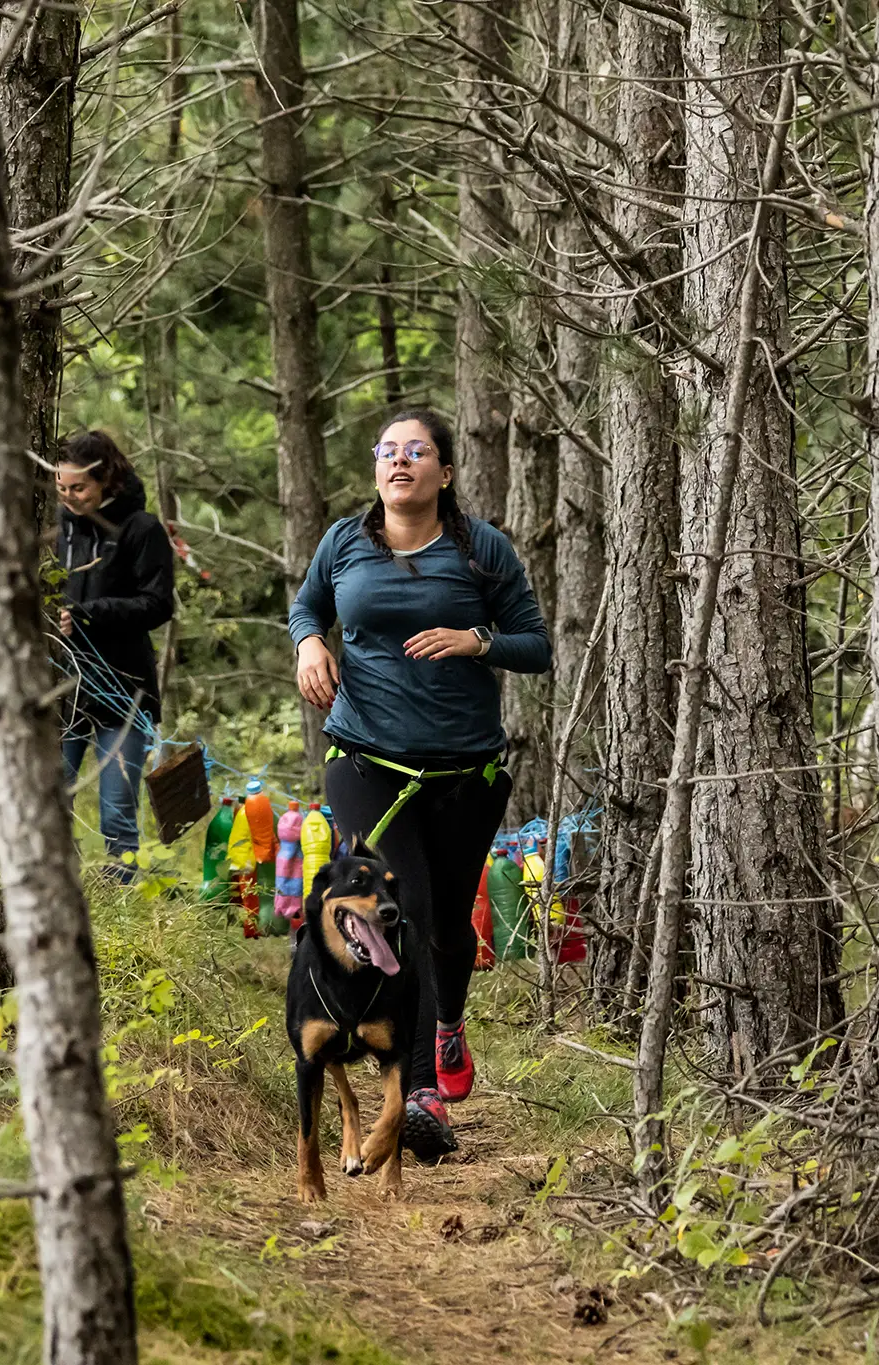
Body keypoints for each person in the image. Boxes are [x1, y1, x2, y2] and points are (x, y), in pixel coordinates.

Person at [288, 408, 551, 1160]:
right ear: (376, 468)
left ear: (443, 470)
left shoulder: (480, 549)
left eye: (417, 451)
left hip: (465, 770)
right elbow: (308, 604)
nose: (400, 461)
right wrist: (310, 642)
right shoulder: (344, 541)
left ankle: (447, 1025)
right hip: (365, 756)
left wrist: (478, 640)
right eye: (388, 451)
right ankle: (422, 1092)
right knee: (407, 904)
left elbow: (536, 645)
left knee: (445, 928)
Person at [56, 430, 176, 879]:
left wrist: (89, 615)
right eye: (61, 487)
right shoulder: (53, 524)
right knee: (48, 801)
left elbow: (158, 604)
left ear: (106, 480)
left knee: (117, 813)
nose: (69, 497)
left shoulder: (141, 530)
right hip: (61, 687)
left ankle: (121, 907)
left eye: (79, 488)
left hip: (124, 690)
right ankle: (59, 899)